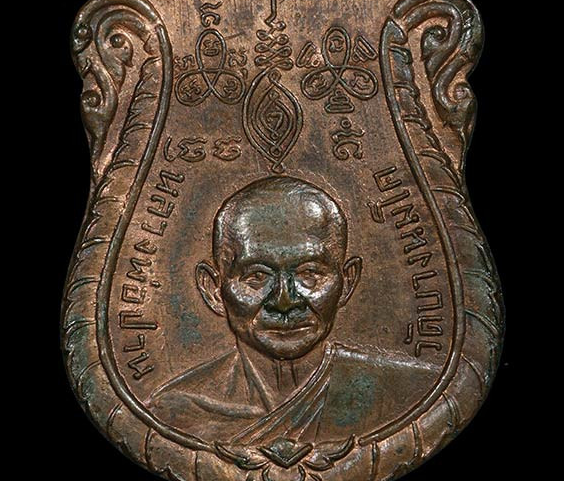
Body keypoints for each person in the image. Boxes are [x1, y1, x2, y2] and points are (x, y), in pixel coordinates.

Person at [148, 176, 433, 443]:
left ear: (347, 282)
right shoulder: (176, 413)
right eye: (257, 276)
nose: (284, 301)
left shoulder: (411, 393)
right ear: (213, 289)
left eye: (309, 273)